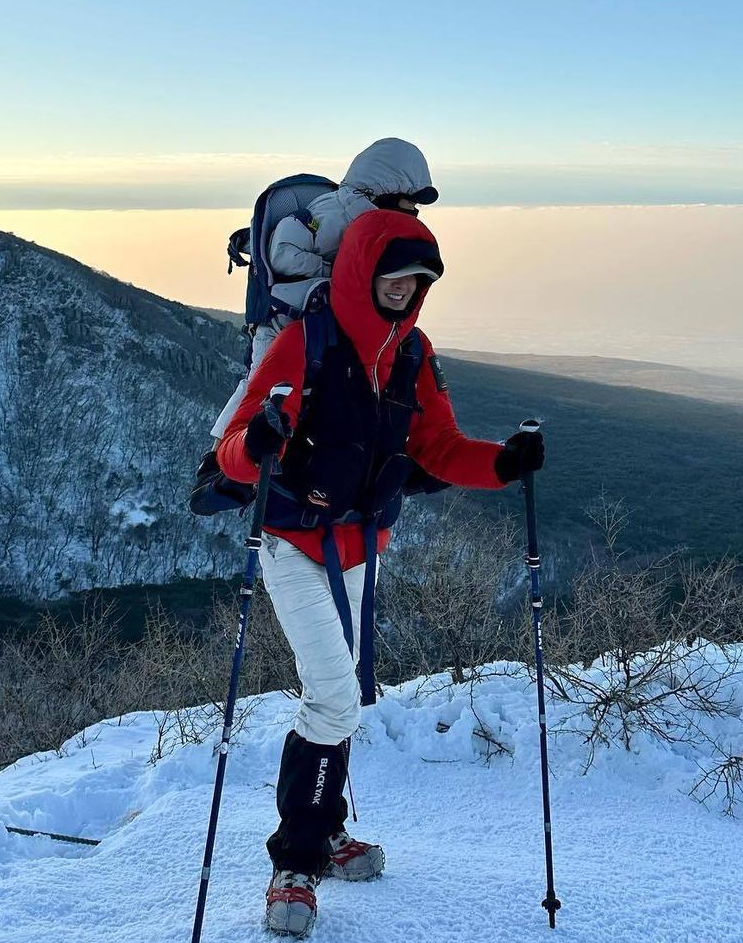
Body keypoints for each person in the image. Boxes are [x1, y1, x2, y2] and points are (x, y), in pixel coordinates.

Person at [215, 207, 545, 938]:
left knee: (342, 699)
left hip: (361, 543)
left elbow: (438, 446)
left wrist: (502, 461)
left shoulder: (412, 354)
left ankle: (323, 833)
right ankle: (294, 863)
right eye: (394, 276)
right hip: (293, 542)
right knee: (333, 696)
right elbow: (238, 448)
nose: (404, 290)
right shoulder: (308, 342)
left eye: (418, 281)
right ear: (363, 271)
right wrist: (262, 434)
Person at [209, 137, 439, 439]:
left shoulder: (368, 220)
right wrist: (340, 276)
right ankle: (219, 465)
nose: (414, 210)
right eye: (410, 201)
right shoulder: (331, 214)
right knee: (258, 397)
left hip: (326, 328)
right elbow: (284, 255)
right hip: (283, 325)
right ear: (383, 188)